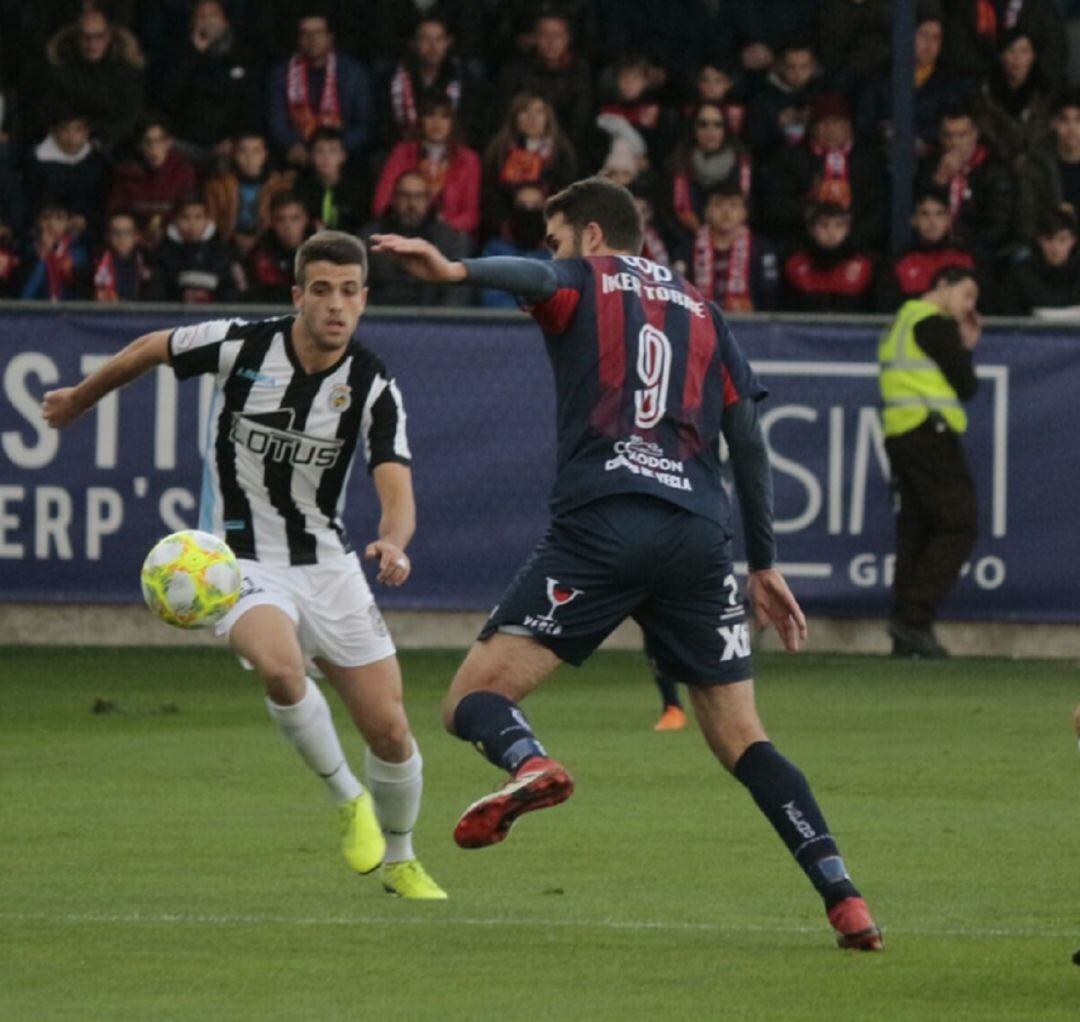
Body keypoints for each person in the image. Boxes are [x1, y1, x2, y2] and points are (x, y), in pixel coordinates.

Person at [370, 176, 882, 950]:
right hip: (699, 538)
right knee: (746, 739)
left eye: (557, 237)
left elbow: (541, 278)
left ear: (594, 237)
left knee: (470, 700)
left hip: (604, 524)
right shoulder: (707, 312)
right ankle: (844, 896)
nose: (553, 253)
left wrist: (456, 271)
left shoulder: (585, 276)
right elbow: (747, 440)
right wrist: (764, 560)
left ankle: (530, 762)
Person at [41, 229, 446, 900]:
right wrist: (82, 398)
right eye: (322, 290)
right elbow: (151, 347)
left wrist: (395, 543)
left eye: (349, 292)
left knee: (391, 729)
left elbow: (397, 491)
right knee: (281, 666)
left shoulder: (373, 386)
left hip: (328, 562)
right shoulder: (243, 344)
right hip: (237, 560)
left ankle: (400, 858)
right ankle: (348, 801)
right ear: (298, 295)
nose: (336, 306)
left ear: (365, 299)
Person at [878, 266, 981, 658]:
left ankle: (905, 629)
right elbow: (966, 386)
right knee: (960, 523)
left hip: (900, 434)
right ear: (944, 287)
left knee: (917, 528)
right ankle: (914, 619)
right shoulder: (935, 326)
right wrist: (967, 346)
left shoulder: (900, 323)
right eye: (967, 295)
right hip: (929, 432)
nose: (969, 307)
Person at [362, 170, 472, 307]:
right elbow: (361, 290)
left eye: (418, 196)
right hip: (381, 322)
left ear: (428, 200)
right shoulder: (371, 239)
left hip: (436, 323)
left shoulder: (451, 240)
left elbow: (457, 292)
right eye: (405, 195)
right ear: (394, 198)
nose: (411, 204)